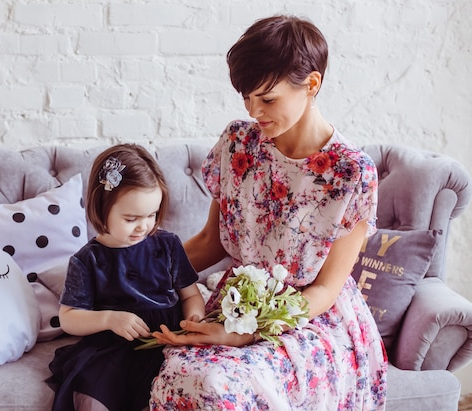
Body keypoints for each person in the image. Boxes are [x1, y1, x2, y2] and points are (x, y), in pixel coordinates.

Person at [149, 15, 387, 410]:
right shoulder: (239, 143)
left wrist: (250, 332)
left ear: (311, 85)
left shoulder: (352, 173)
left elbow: (325, 290)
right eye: (246, 97)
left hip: (308, 319)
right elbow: (211, 242)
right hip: (236, 303)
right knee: (181, 375)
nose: (254, 111)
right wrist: (136, 270)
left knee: (219, 384)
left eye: (267, 98)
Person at [46, 143, 206, 411]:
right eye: (131, 218)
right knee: (91, 393)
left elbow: (190, 294)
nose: (144, 226)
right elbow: (69, 317)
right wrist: (109, 318)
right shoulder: (88, 260)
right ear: (101, 208)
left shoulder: (167, 245)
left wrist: (194, 319)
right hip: (115, 345)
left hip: (167, 338)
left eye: (152, 215)